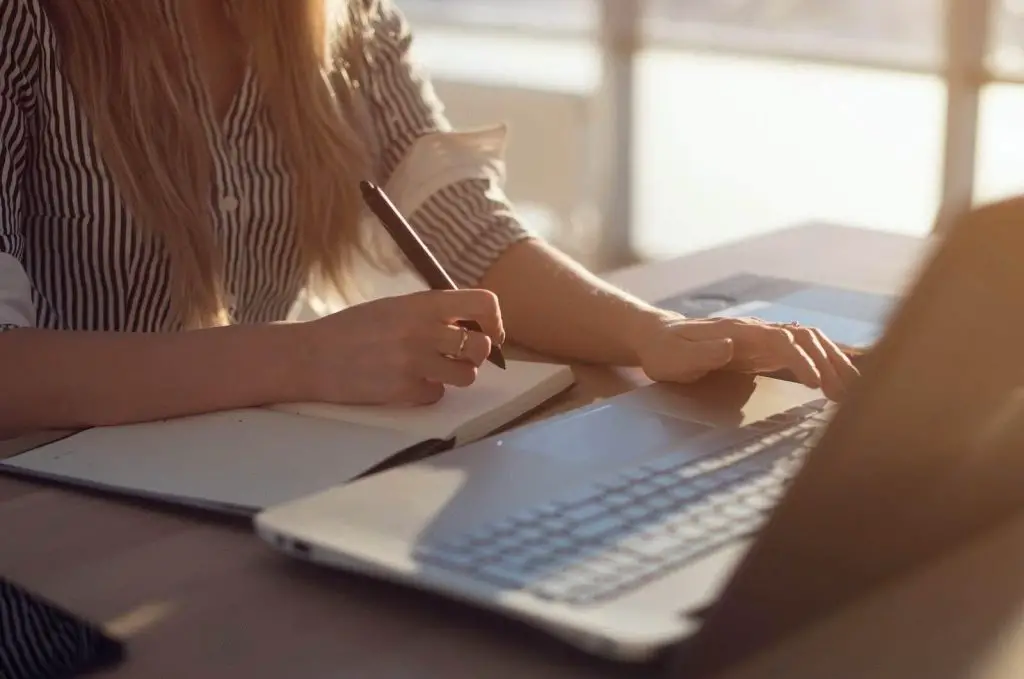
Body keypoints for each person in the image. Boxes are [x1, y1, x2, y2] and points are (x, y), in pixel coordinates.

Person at [0, 0, 857, 435]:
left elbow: (468, 231)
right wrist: (303, 355)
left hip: (250, 470)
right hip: (49, 504)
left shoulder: (339, 19)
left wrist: (655, 332)